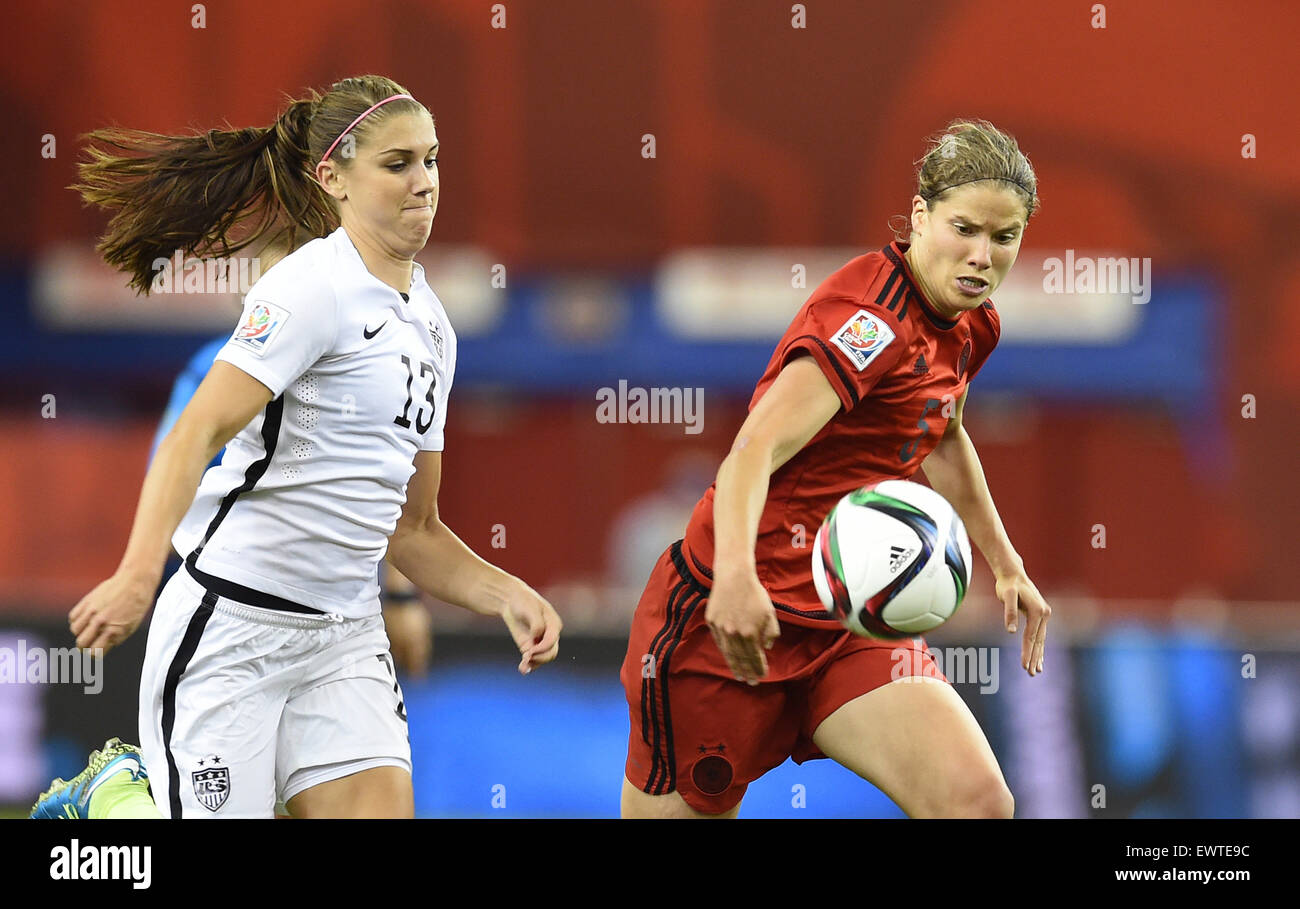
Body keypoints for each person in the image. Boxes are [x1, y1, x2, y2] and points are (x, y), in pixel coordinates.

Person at [33, 74, 561, 820]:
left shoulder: (435, 328)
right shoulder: (311, 286)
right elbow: (198, 430)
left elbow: (413, 529)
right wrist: (135, 576)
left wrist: (503, 590)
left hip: (345, 639)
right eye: (398, 163)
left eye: (433, 160)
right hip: (233, 627)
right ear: (334, 179)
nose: (425, 183)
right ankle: (119, 799)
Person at [620, 119, 1051, 819]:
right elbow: (752, 451)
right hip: (728, 619)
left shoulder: (974, 322)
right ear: (919, 215)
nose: (981, 255)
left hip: (848, 616)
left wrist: (1006, 562)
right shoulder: (868, 322)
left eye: (1004, 237)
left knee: (977, 803)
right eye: (964, 228)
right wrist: (732, 577)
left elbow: (944, 435)